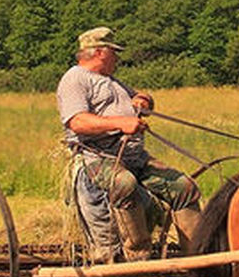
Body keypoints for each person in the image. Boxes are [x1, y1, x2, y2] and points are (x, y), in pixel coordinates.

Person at [56, 27, 201, 263]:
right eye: (114, 52)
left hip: (135, 158)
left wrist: (143, 100)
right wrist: (121, 123)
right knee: (124, 184)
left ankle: (197, 253)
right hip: (98, 158)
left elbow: (143, 100)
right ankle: (137, 255)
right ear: (101, 52)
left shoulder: (112, 81)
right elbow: (77, 121)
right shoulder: (75, 79)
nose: (118, 58)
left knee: (184, 187)